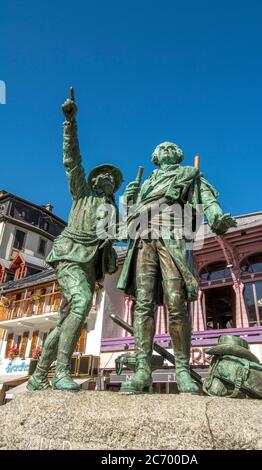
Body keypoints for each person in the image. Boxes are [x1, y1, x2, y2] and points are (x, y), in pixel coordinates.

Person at [117, 141, 236, 394]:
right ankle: (142, 369)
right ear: (155, 157)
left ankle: (182, 369)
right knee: (143, 302)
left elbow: (207, 198)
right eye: (162, 148)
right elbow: (127, 219)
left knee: (176, 301)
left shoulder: (188, 174)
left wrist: (216, 216)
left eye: (172, 147)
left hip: (173, 234)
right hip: (143, 238)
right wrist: (127, 200)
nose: (168, 149)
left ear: (178, 155)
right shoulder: (146, 183)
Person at [27, 90, 123, 391]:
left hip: (88, 266)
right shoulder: (83, 192)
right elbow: (72, 160)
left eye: (113, 179)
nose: (107, 179)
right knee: (81, 305)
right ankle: (61, 373)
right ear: (94, 181)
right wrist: (70, 124)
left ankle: (39, 375)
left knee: (69, 318)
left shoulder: (112, 211)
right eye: (103, 176)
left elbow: (112, 243)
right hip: (70, 254)